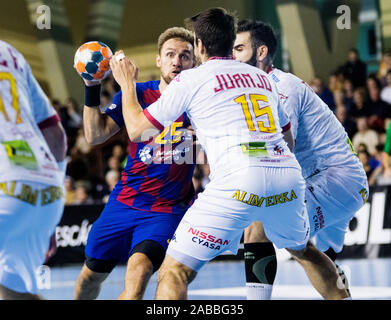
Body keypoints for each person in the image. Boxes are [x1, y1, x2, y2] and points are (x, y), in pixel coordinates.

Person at [110, 7, 350, 300]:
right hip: (286, 175)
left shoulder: (191, 79)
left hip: (237, 179)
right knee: (304, 251)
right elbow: (287, 139)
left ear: (199, 45)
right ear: (230, 42)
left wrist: (126, 84)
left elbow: (137, 131)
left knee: (174, 271)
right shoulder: (262, 78)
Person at [233, 19, 369, 300]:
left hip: (335, 178)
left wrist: (230, 149)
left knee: (261, 226)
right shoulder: (257, 91)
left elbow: (281, 147)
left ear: (260, 52)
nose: (232, 57)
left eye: (239, 48)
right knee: (322, 258)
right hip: (329, 181)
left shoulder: (281, 87)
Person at [73, 27, 196, 300]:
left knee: (138, 274)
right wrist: (92, 87)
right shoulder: (137, 93)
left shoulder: (200, 102)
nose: (177, 61)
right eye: (171, 54)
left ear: (195, 63)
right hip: (124, 202)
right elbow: (95, 135)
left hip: (166, 209)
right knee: (90, 276)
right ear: (158, 61)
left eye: (186, 56)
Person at [0, 41, 67, 299]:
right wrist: (50, 215)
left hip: (5, 180)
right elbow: (56, 137)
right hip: (46, 185)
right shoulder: (11, 53)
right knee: (16, 293)